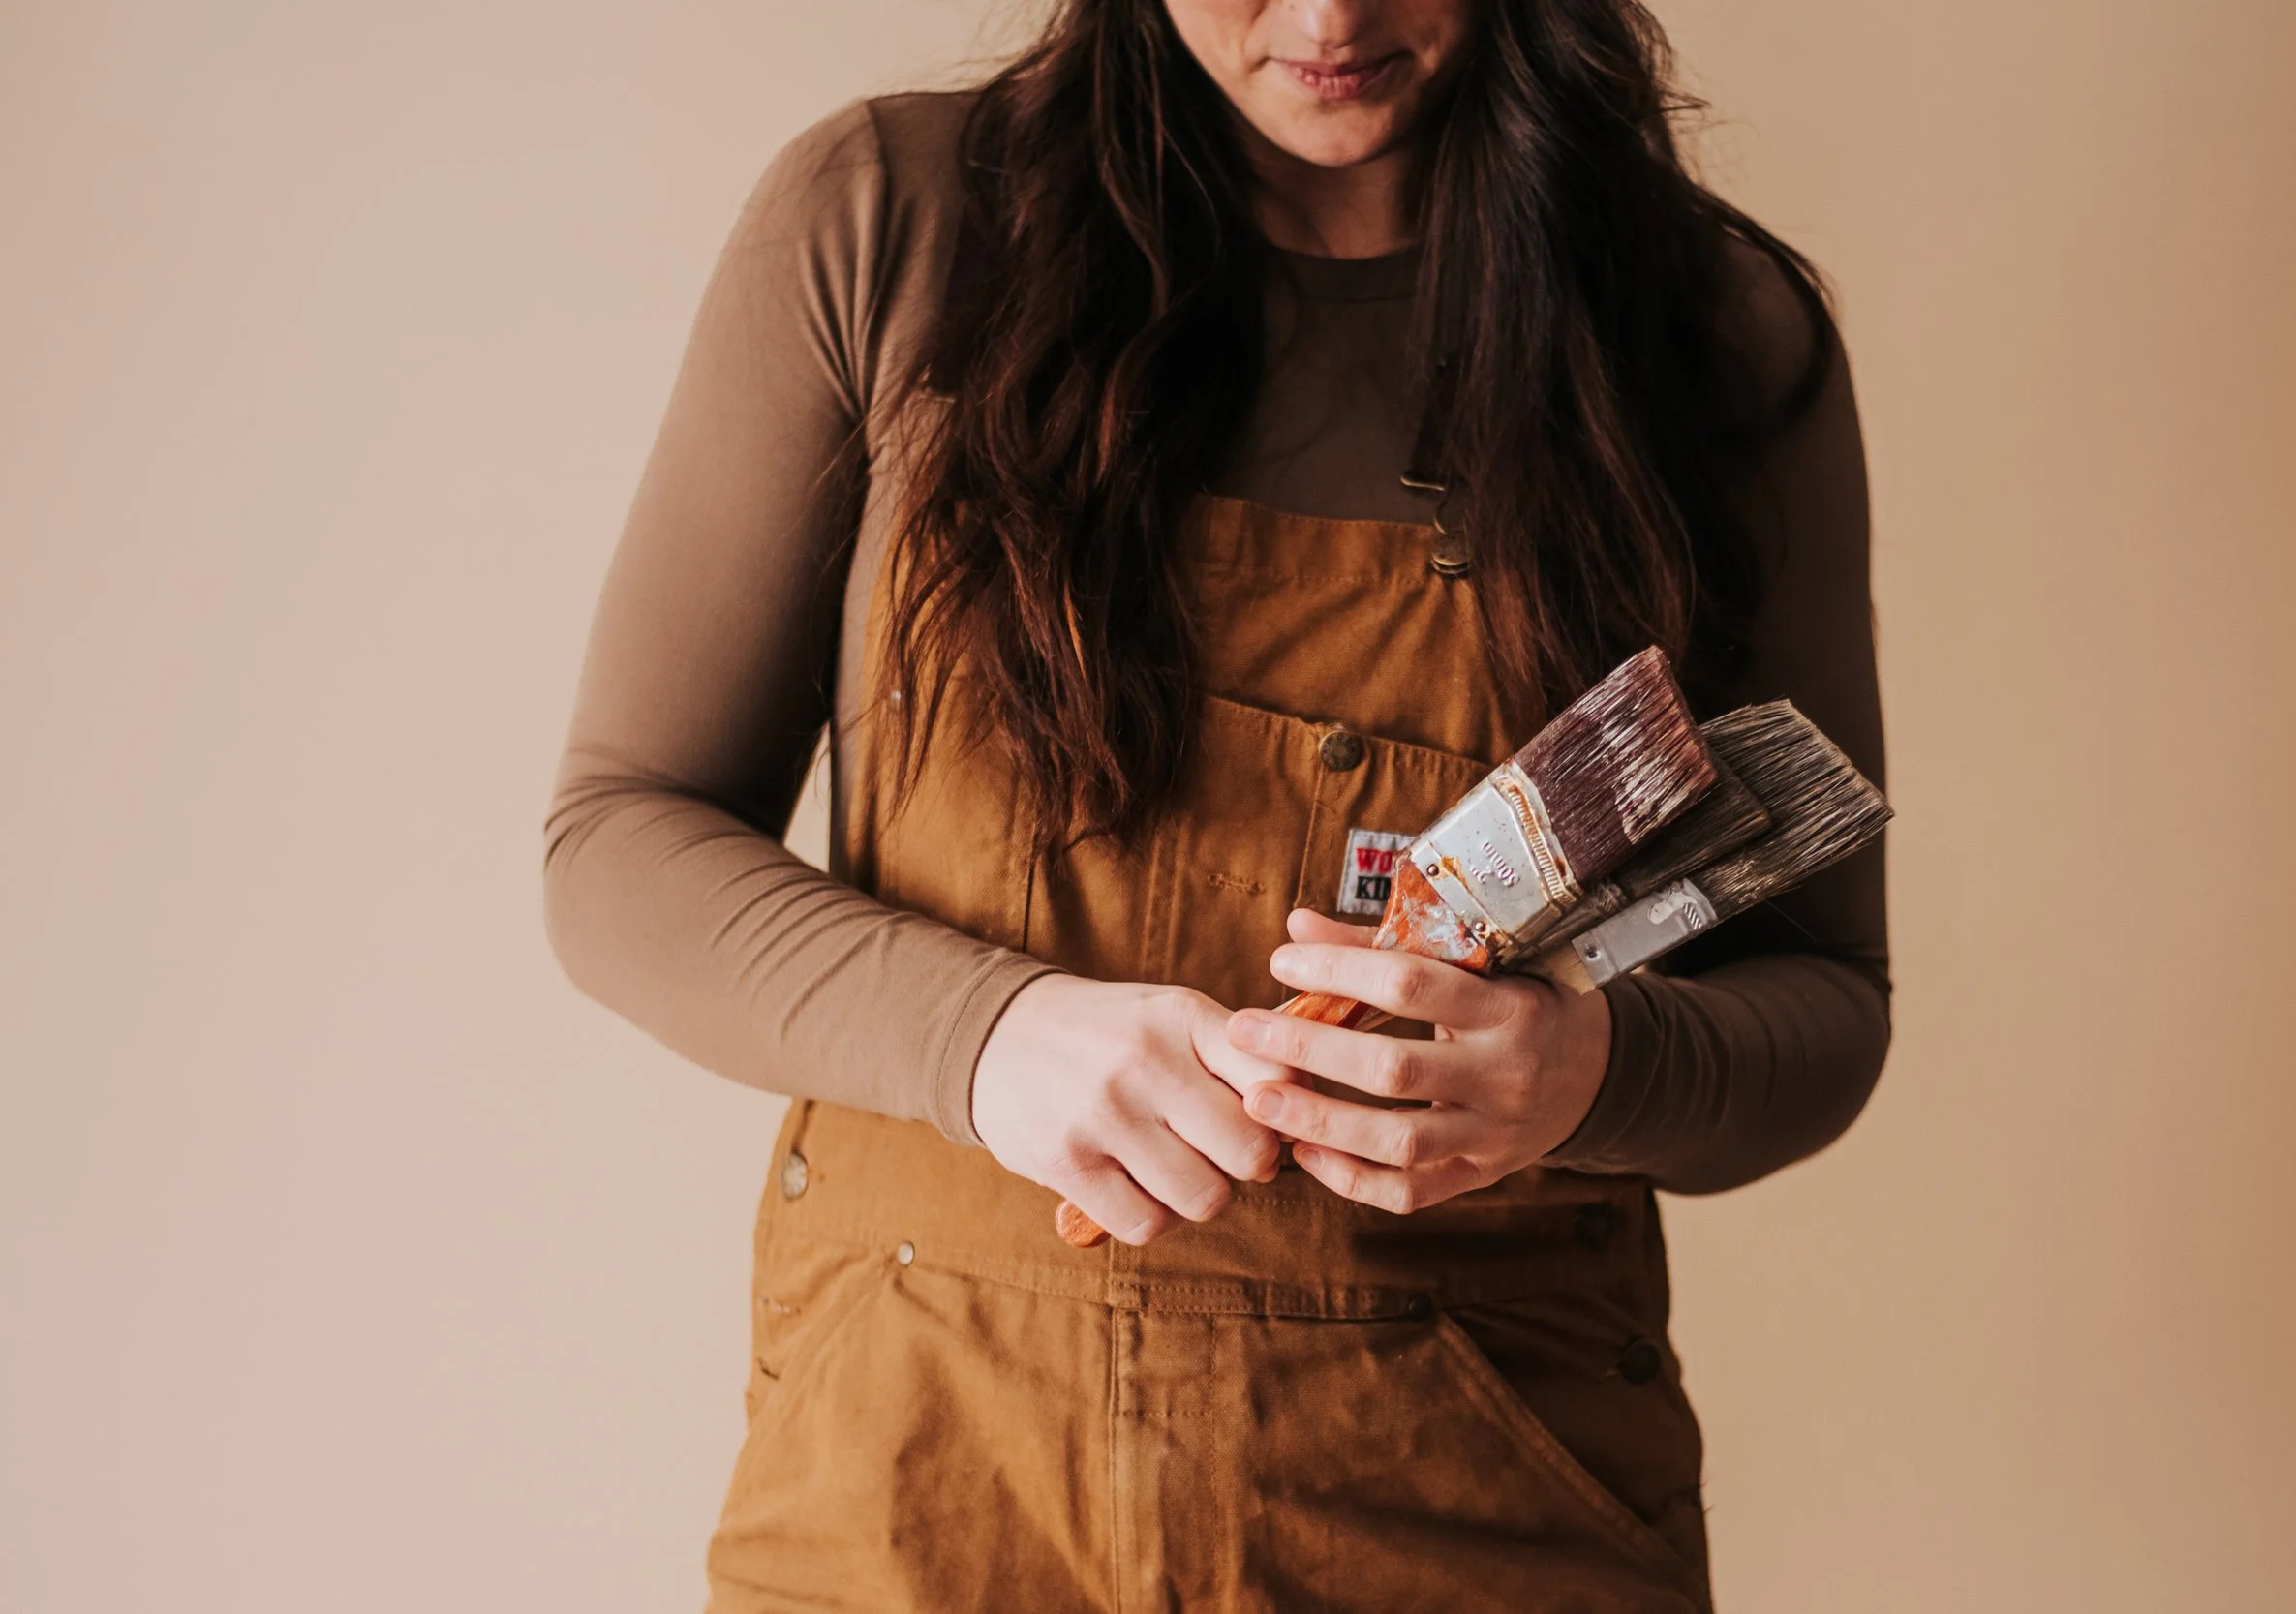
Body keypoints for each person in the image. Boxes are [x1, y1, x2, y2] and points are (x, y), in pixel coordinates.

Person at [541, 0, 1888, 1606]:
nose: (1328, 18)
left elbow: (1828, 1000)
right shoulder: (890, 224)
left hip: (1477, 1510)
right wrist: (984, 1035)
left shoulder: (1709, 338)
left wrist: (1589, 1073)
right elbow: (618, 838)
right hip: (910, 1494)